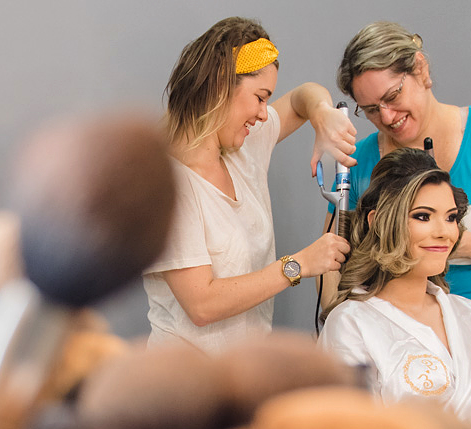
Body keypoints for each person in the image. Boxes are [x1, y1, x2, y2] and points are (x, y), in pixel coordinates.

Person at [326, 21, 471, 369]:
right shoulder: (356, 164)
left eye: (392, 97)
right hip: (386, 344)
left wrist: (448, 242)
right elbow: (333, 258)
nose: (388, 117)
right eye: (372, 109)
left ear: (419, 68)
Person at [145, 17, 357, 351]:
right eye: (260, 97)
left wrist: (323, 117)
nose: (263, 114)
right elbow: (202, 305)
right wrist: (298, 265)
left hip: (243, 376)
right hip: (185, 386)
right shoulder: (167, 185)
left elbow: (304, 96)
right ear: (219, 84)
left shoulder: (243, 149)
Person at [320, 150, 471, 429]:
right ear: (378, 221)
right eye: (423, 216)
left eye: (451, 217)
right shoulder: (351, 325)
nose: (444, 232)